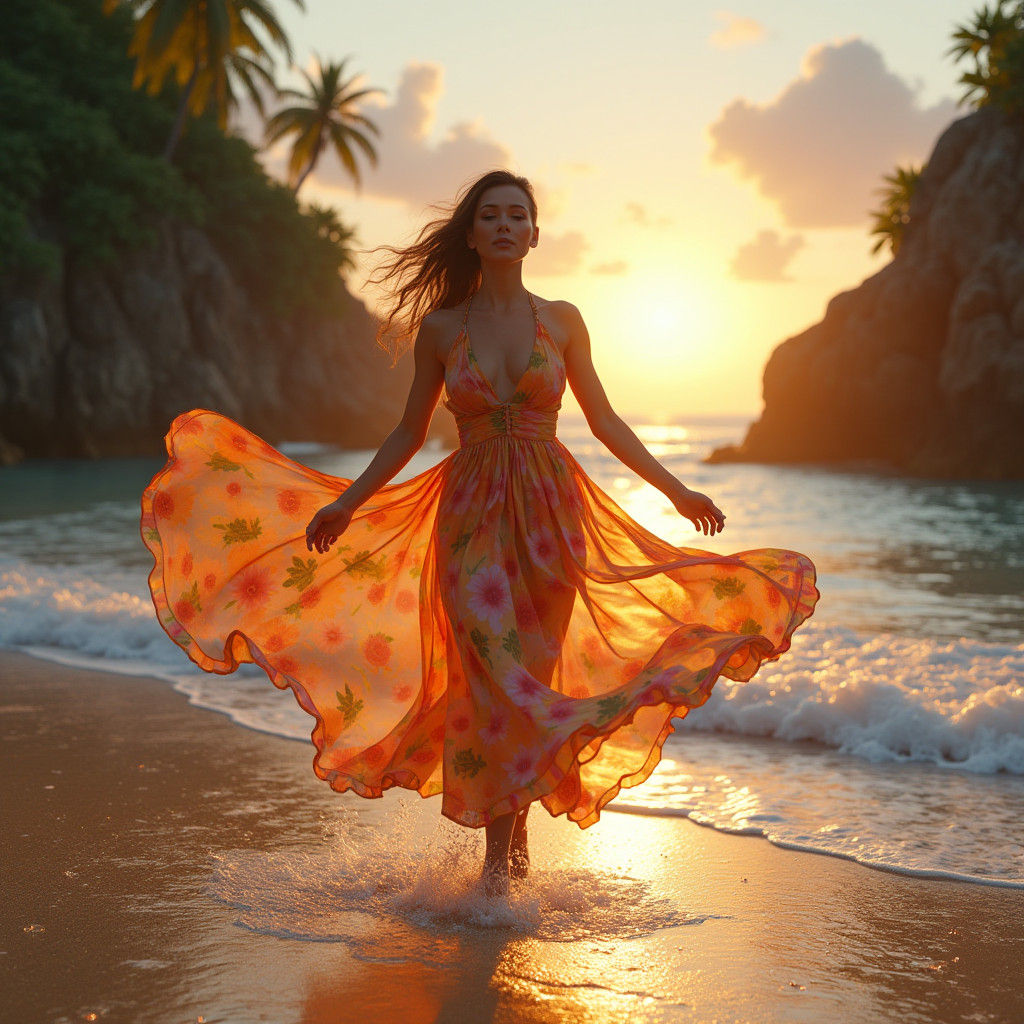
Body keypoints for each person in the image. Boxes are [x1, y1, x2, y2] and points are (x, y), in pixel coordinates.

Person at [141, 169, 818, 899]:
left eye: (516, 215)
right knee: (493, 683)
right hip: (467, 521)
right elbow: (408, 431)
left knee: (527, 686)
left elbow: (606, 420)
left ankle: (510, 862)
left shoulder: (563, 320)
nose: (502, 225)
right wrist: (350, 503)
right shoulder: (440, 329)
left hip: (553, 519)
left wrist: (676, 488)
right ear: (472, 233)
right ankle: (501, 871)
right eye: (489, 215)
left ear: (534, 234)